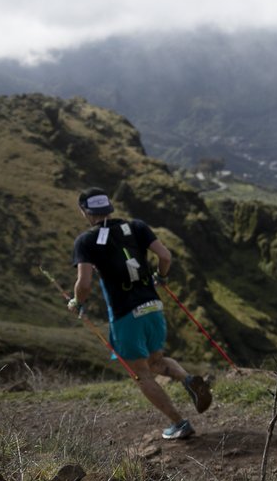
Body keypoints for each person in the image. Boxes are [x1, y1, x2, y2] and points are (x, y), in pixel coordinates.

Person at [70, 187, 212, 440]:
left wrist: (77, 303)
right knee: (156, 361)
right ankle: (188, 379)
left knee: (140, 373)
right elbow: (165, 256)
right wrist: (161, 277)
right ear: (109, 207)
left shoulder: (86, 241)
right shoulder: (136, 227)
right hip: (153, 306)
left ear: (84, 212)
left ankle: (179, 423)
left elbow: (84, 284)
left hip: (126, 314)